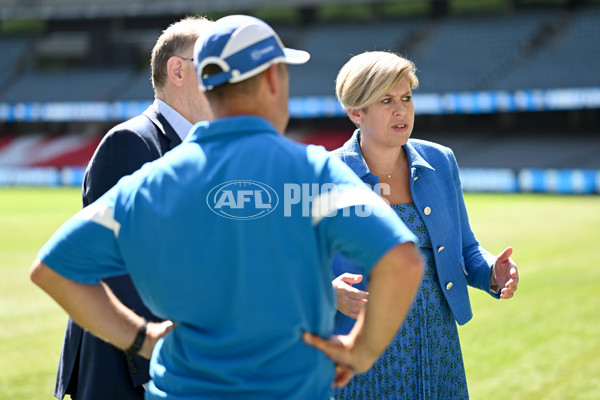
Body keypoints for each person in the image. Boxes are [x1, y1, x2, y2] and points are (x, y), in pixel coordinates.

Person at [31, 15, 424, 400]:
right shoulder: (313, 172)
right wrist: (359, 352)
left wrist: (142, 338)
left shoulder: (156, 179)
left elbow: (53, 269)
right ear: (273, 79)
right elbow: (401, 261)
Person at [330, 51, 520, 399]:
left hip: (437, 342)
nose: (401, 110)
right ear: (356, 112)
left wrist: (493, 271)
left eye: (406, 97)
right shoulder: (322, 175)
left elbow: (465, 249)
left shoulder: (440, 160)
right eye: (386, 100)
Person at [53, 16, 214, 400]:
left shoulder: (212, 153)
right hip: (128, 370)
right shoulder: (130, 144)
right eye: (216, 66)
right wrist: (156, 363)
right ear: (178, 70)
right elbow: (115, 266)